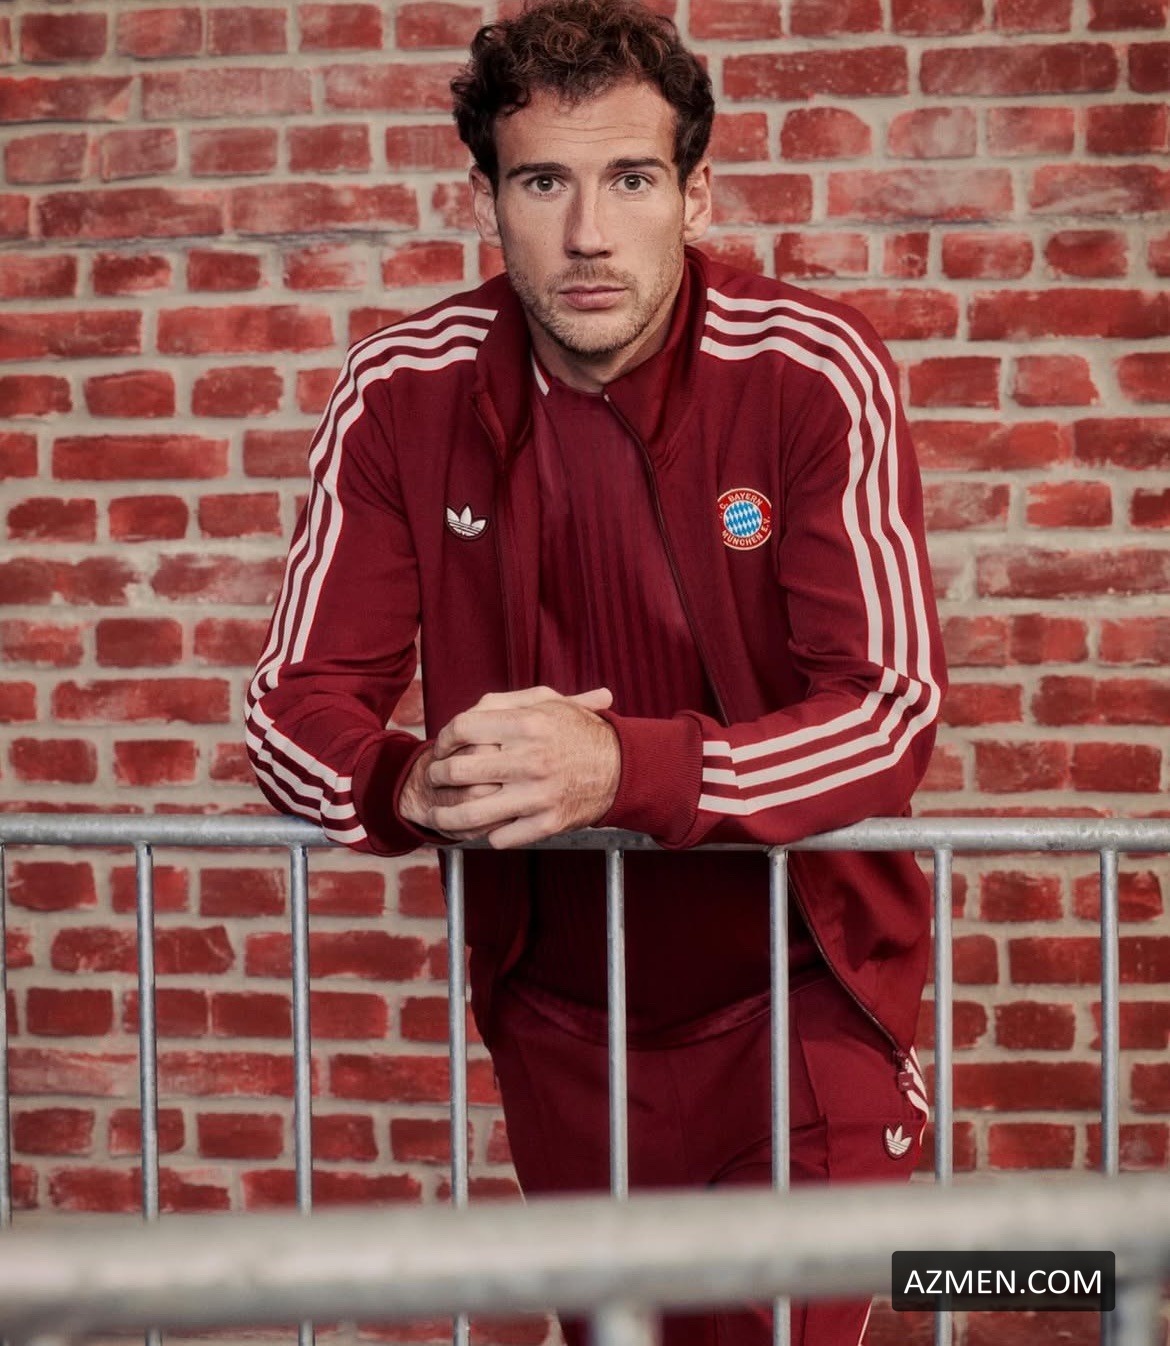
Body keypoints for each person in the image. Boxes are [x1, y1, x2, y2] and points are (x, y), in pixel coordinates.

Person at [246, 2, 946, 1340]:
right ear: (486, 201)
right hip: (558, 1023)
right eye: (541, 183)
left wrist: (624, 765)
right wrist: (407, 783)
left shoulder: (810, 369)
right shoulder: (399, 389)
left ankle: (1065, 1276)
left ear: (694, 193)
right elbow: (289, 706)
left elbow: (888, 713)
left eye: (629, 179)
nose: (586, 233)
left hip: (800, 1002)